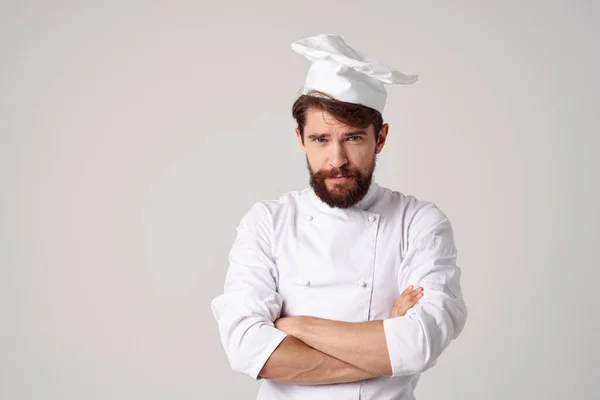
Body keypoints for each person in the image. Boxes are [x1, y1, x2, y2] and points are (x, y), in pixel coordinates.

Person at [210, 33, 468, 400]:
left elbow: (419, 344)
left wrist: (297, 327)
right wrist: (384, 340)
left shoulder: (419, 222)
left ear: (380, 138)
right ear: (300, 139)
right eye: (320, 139)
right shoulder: (267, 222)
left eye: (353, 139)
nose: (336, 161)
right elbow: (245, 348)